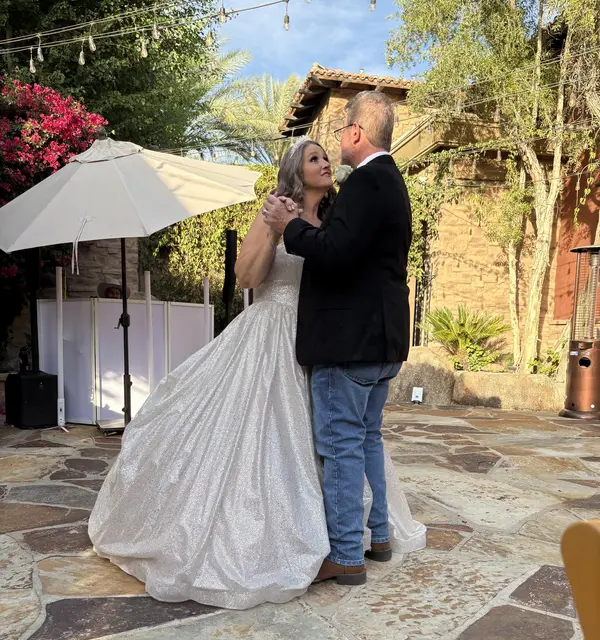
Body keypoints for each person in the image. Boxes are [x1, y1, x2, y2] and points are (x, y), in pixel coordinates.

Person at [88, 136, 425, 611]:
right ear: (294, 170)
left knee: (340, 439)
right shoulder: (273, 212)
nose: (325, 162)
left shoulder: (338, 216)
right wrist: (272, 231)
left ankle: (354, 535)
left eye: (326, 156)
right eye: (314, 158)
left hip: (325, 339)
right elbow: (247, 277)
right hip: (271, 331)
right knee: (271, 437)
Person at [262, 91, 414, 586]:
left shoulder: (367, 181)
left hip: (350, 343)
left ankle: (347, 554)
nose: (335, 145)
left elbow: (335, 251)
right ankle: (379, 535)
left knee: (341, 445)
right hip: (382, 341)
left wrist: (289, 226)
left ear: (355, 133)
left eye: (340, 132)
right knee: (366, 439)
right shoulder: (392, 181)